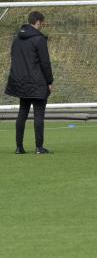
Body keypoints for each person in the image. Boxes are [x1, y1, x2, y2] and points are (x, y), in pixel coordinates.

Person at [5, 11, 53, 154]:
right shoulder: (39, 40)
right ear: (38, 22)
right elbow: (45, 63)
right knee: (38, 114)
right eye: (42, 22)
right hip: (38, 82)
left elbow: (15, 60)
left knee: (22, 113)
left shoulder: (17, 39)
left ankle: (19, 147)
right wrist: (50, 80)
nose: (43, 25)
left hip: (21, 83)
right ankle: (39, 147)